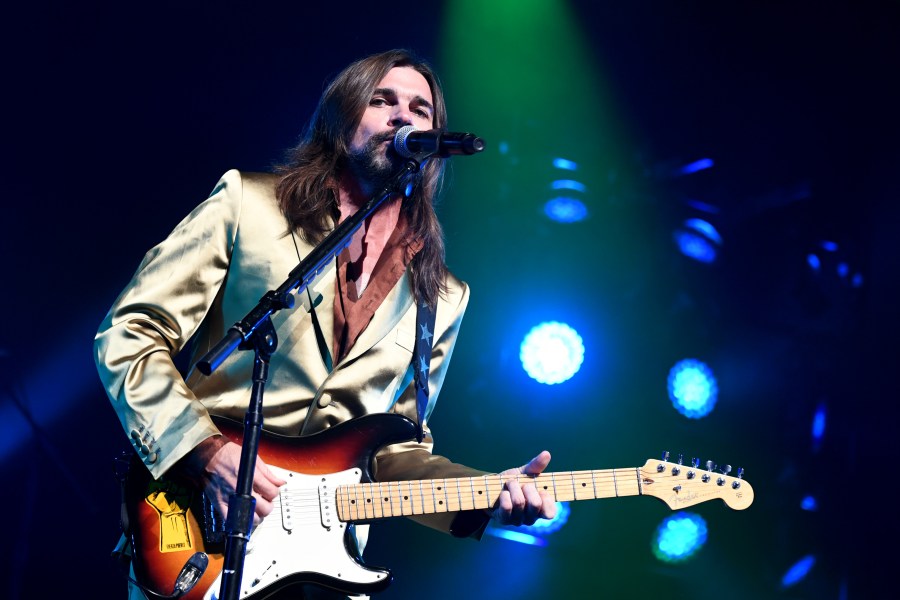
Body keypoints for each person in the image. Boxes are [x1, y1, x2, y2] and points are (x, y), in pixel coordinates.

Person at [94, 49, 555, 599]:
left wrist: (487, 494)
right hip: (199, 527)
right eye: (381, 100)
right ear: (342, 117)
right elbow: (130, 332)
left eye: (420, 108)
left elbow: (396, 449)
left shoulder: (443, 295)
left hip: (325, 564)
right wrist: (205, 451)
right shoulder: (250, 204)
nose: (402, 116)